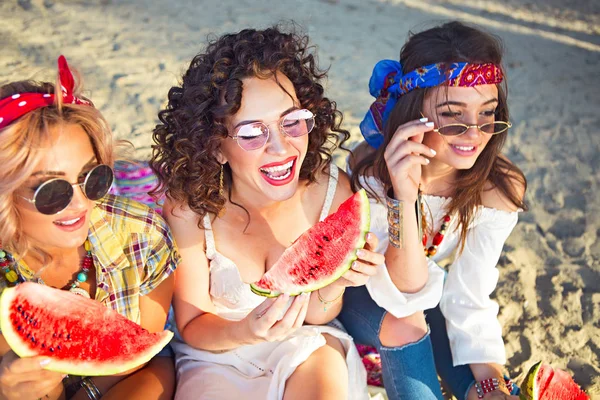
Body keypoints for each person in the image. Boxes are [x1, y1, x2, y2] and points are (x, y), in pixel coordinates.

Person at [150, 26, 386, 400]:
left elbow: (318, 316)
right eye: (251, 133)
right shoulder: (189, 211)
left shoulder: (331, 190)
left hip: (308, 345)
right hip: (216, 354)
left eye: (291, 121)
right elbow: (193, 324)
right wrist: (247, 331)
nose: (281, 147)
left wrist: (339, 281)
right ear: (216, 147)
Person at [338, 21, 527, 399]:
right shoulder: (369, 170)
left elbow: (468, 293)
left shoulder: (498, 186)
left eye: (487, 113)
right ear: (412, 110)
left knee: (483, 380)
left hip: (428, 296)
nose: (474, 134)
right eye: (453, 115)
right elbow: (400, 291)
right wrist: (402, 197)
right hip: (365, 298)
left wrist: (490, 384)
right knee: (405, 319)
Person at [0, 56, 179, 400]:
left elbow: (141, 355)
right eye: (50, 190)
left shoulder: (142, 235)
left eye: (93, 178)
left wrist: (89, 393)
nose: (80, 203)